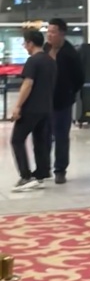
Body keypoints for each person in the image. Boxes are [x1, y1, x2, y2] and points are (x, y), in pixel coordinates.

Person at [10, 28, 56, 192]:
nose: (24, 46)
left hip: (31, 108)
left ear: (30, 43)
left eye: (25, 43)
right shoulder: (50, 60)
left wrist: (18, 106)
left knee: (17, 140)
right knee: (40, 141)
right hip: (46, 108)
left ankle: (26, 176)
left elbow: (28, 84)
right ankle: (41, 175)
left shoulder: (33, 61)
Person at [45, 17, 85, 184]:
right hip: (44, 101)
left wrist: (69, 92)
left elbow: (79, 78)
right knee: (43, 136)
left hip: (62, 102)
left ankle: (60, 169)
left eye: (53, 32)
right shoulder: (45, 49)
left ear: (62, 33)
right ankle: (43, 169)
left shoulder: (70, 54)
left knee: (61, 136)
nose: (49, 35)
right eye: (48, 31)